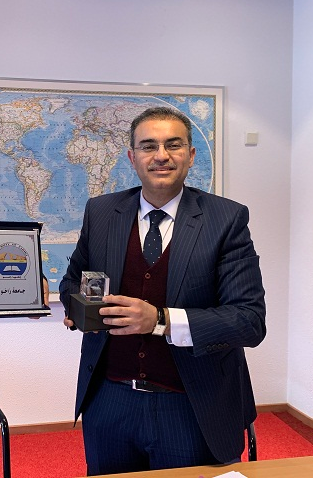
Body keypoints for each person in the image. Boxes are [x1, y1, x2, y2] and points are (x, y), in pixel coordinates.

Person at [60, 106, 266, 475]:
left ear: (191, 155)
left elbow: (248, 321)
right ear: (132, 157)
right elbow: (73, 281)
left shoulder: (226, 219)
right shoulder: (102, 212)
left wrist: (160, 320)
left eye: (173, 145)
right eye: (148, 146)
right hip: (109, 401)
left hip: (192, 403)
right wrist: (80, 309)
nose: (161, 155)